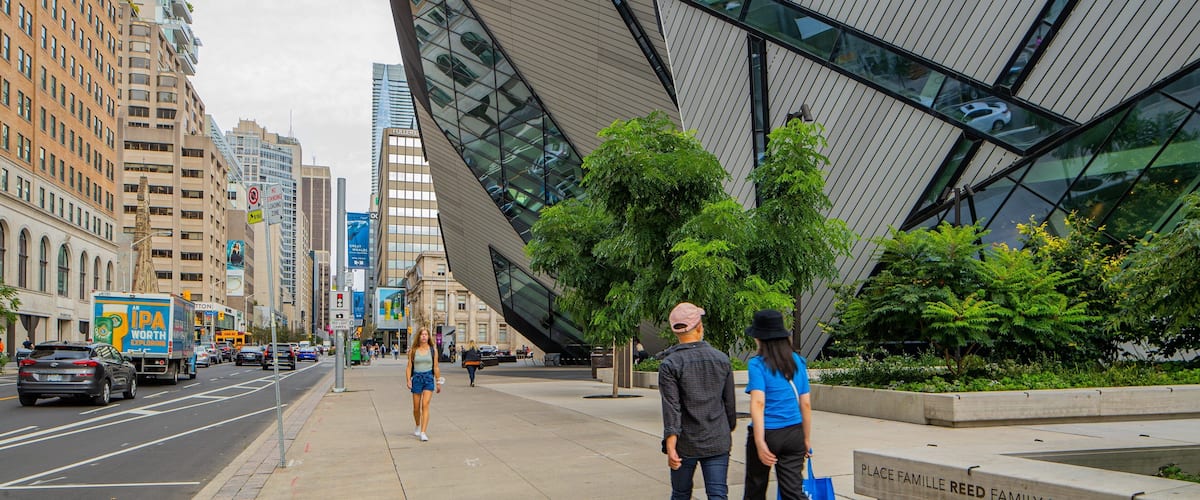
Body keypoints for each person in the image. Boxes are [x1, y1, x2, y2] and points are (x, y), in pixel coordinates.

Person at [658, 302, 736, 500]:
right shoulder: (721, 359)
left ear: (675, 331)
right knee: (718, 494)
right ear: (700, 327)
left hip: (685, 441)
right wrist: (727, 428)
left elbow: (671, 407)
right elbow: (729, 404)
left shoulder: (670, 364)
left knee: (681, 494)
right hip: (717, 438)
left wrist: (671, 443)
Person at [743, 309, 813, 500]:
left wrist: (759, 441)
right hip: (794, 433)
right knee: (793, 492)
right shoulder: (798, 362)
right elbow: (805, 404)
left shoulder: (757, 364)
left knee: (755, 490)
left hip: (768, 432)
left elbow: (758, 403)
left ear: (759, 338)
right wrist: (806, 439)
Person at [406, 328, 442, 442]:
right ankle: (417, 424)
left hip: (428, 379)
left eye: (426, 334)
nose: (424, 336)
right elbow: (409, 367)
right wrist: (408, 380)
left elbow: (436, 367)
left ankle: (423, 432)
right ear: (419, 337)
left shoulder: (433, 350)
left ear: (428, 337)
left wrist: (438, 381)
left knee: (425, 405)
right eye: (422, 334)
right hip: (416, 378)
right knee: (416, 408)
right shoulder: (413, 350)